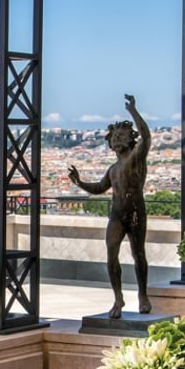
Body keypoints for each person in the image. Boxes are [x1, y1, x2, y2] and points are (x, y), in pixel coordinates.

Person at [68, 94, 152, 319]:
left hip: (135, 212)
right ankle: (118, 297)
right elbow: (99, 188)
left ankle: (143, 295)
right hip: (116, 214)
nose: (116, 139)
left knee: (138, 254)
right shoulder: (113, 169)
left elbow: (146, 135)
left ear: (129, 139)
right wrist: (79, 182)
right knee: (111, 255)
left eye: (121, 135)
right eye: (114, 136)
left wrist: (133, 111)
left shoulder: (136, 158)